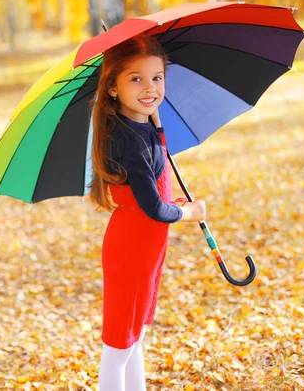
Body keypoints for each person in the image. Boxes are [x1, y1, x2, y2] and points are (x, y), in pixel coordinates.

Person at [87, 34, 206, 391]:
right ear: (112, 88)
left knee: (135, 334)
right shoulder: (127, 139)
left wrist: (178, 205)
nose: (149, 87)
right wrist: (190, 213)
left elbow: (156, 192)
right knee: (119, 343)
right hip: (133, 246)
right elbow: (153, 208)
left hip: (147, 245)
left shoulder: (144, 127)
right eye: (135, 78)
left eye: (157, 77)